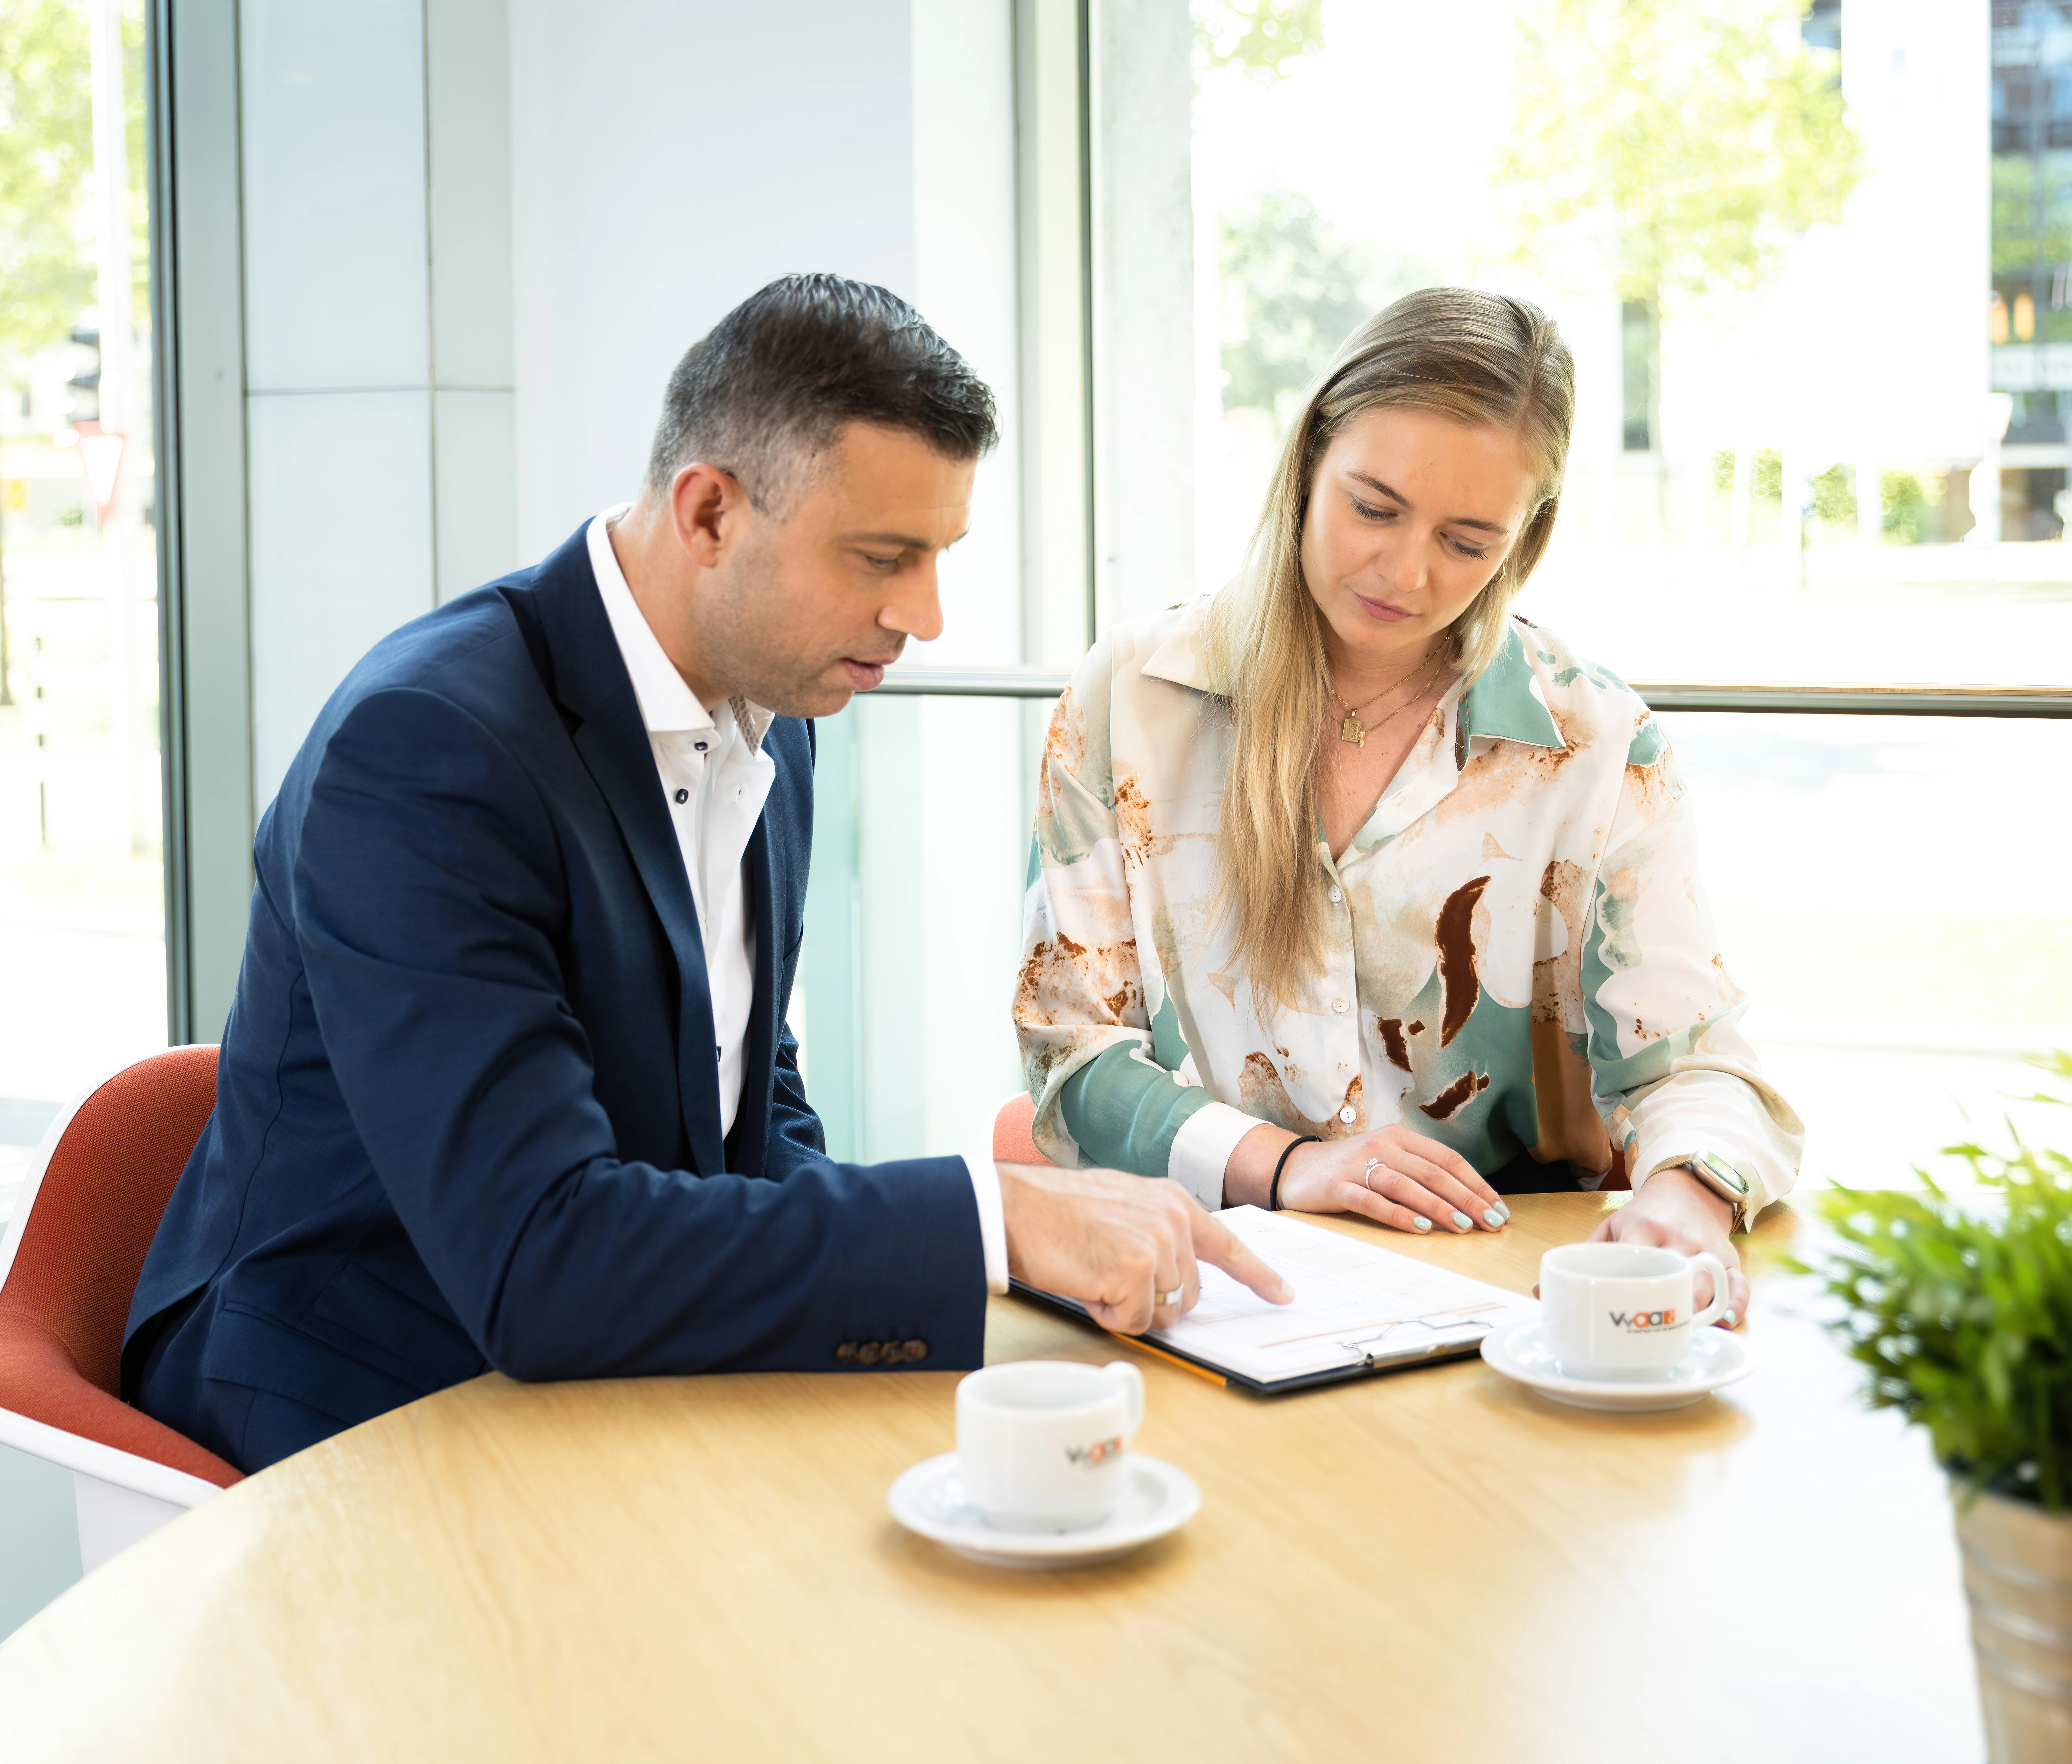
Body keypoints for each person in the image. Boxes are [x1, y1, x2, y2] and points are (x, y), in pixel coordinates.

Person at [123, 274, 1290, 1472]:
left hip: (598, 1367)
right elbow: (537, 1258)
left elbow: (750, 1110)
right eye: (882, 557)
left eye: (940, 556)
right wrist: (994, 1221)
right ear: (710, 514)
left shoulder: (776, 710)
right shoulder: (429, 751)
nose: (925, 616)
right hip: (368, 1393)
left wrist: (950, 1268)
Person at [1013, 288, 1802, 1325]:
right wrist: (1284, 1164)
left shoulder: (1597, 742)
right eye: (1374, 508)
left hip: (1507, 1295)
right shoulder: (1133, 697)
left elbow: (1695, 1064)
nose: (1407, 572)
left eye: (1469, 541)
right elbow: (1071, 1059)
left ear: (1527, 539)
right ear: (1307, 465)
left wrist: (1685, 1197)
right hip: (1210, 1288)